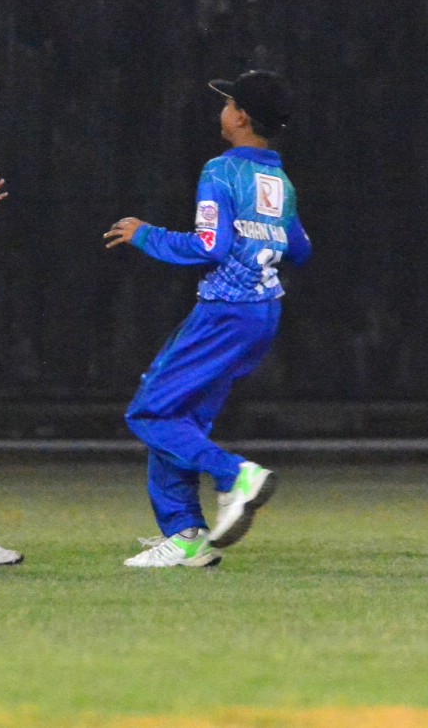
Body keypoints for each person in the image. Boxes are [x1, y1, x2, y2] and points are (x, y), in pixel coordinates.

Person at [105, 69, 311, 568]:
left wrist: (145, 234)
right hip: (262, 313)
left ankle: (236, 476)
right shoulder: (278, 180)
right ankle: (186, 536)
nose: (222, 110)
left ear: (240, 117)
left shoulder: (221, 171)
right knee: (181, 418)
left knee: (150, 413)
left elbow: (208, 246)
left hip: (224, 312)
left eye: (228, 103)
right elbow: (300, 248)